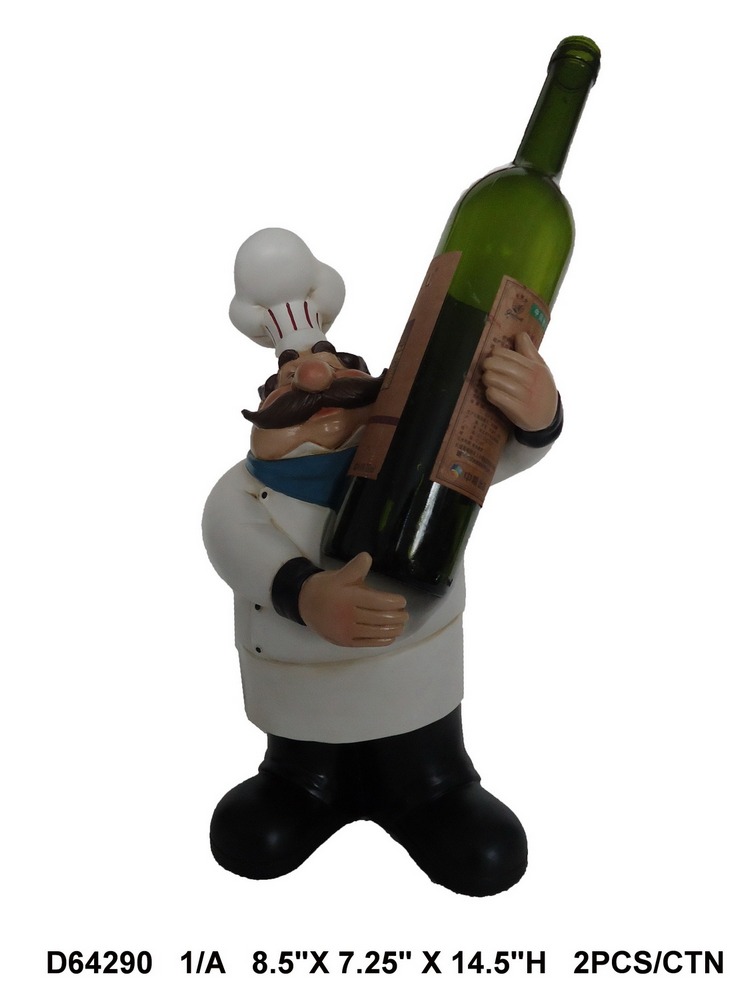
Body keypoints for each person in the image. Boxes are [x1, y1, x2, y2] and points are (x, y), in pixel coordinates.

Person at [203, 229, 562, 895]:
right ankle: (300, 786)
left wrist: (536, 418)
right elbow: (237, 547)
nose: (317, 380)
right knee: (264, 824)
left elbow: (485, 456)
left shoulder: (418, 457)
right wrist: (306, 594)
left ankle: (435, 790)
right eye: (287, 381)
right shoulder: (244, 493)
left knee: (471, 834)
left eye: (340, 369)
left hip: (416, 688)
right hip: (299, 704)